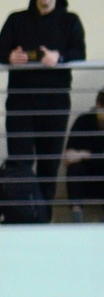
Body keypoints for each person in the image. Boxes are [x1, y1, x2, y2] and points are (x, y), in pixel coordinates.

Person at [0, 0, 85, 224]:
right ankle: (19, 218)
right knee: (19, 163)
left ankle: (43, 220)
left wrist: (58, 57)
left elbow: (79, 52)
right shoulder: (17, 19)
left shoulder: (70, 21)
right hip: (21, 102)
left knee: (48, 165)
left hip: (55, 103)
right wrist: (10, 57)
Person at [61, 89, 104, 223]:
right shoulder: (84, 121)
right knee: (75, 168)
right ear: (98, 106)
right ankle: (77, 219)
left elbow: (75, 154)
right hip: (87, 182)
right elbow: (68, 158)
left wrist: (84, 154)